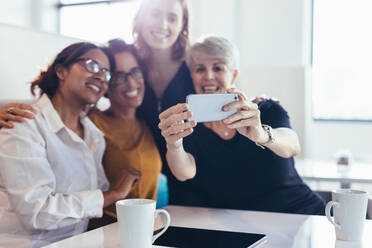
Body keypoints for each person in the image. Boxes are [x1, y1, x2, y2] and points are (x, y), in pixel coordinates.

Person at [158, 36, 325, 215]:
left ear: (234, 75)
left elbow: (292, 146)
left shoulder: (265, 109)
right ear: (192, 76)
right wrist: (173, 145)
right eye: (200, 69)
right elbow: (185, 173)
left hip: (303, 215)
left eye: (218, 68)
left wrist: (261, 134)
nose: (208, 76)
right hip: (249, 229)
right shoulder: (191, 126)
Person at [0, 42, 139, 247]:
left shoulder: (93, 136)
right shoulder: (24, 124)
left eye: (106, 73)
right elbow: (38, 213)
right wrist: (112, 195)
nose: (101, 76)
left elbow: (87, 211)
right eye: (91, 65)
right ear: (61, 71)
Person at [88, 39, 162, 217]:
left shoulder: (148, 122)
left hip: (147, 230)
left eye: (135, 72)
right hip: (107, 232)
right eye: (120, 77)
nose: (131, 84)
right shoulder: (92, 123)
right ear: (106, 84)